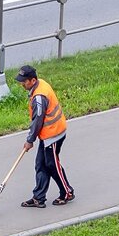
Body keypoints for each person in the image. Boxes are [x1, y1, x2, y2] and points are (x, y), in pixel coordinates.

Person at [15, 65, 75, 208]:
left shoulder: (39, 97)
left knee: (52, 165)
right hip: (47, 134)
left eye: (24, 81)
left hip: (54, 134)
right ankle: (39, 198)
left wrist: (30, 140)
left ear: (33, 80)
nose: (21, 84)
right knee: (41, 164)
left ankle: (67, 192)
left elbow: (38, 120)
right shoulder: (39, 85)